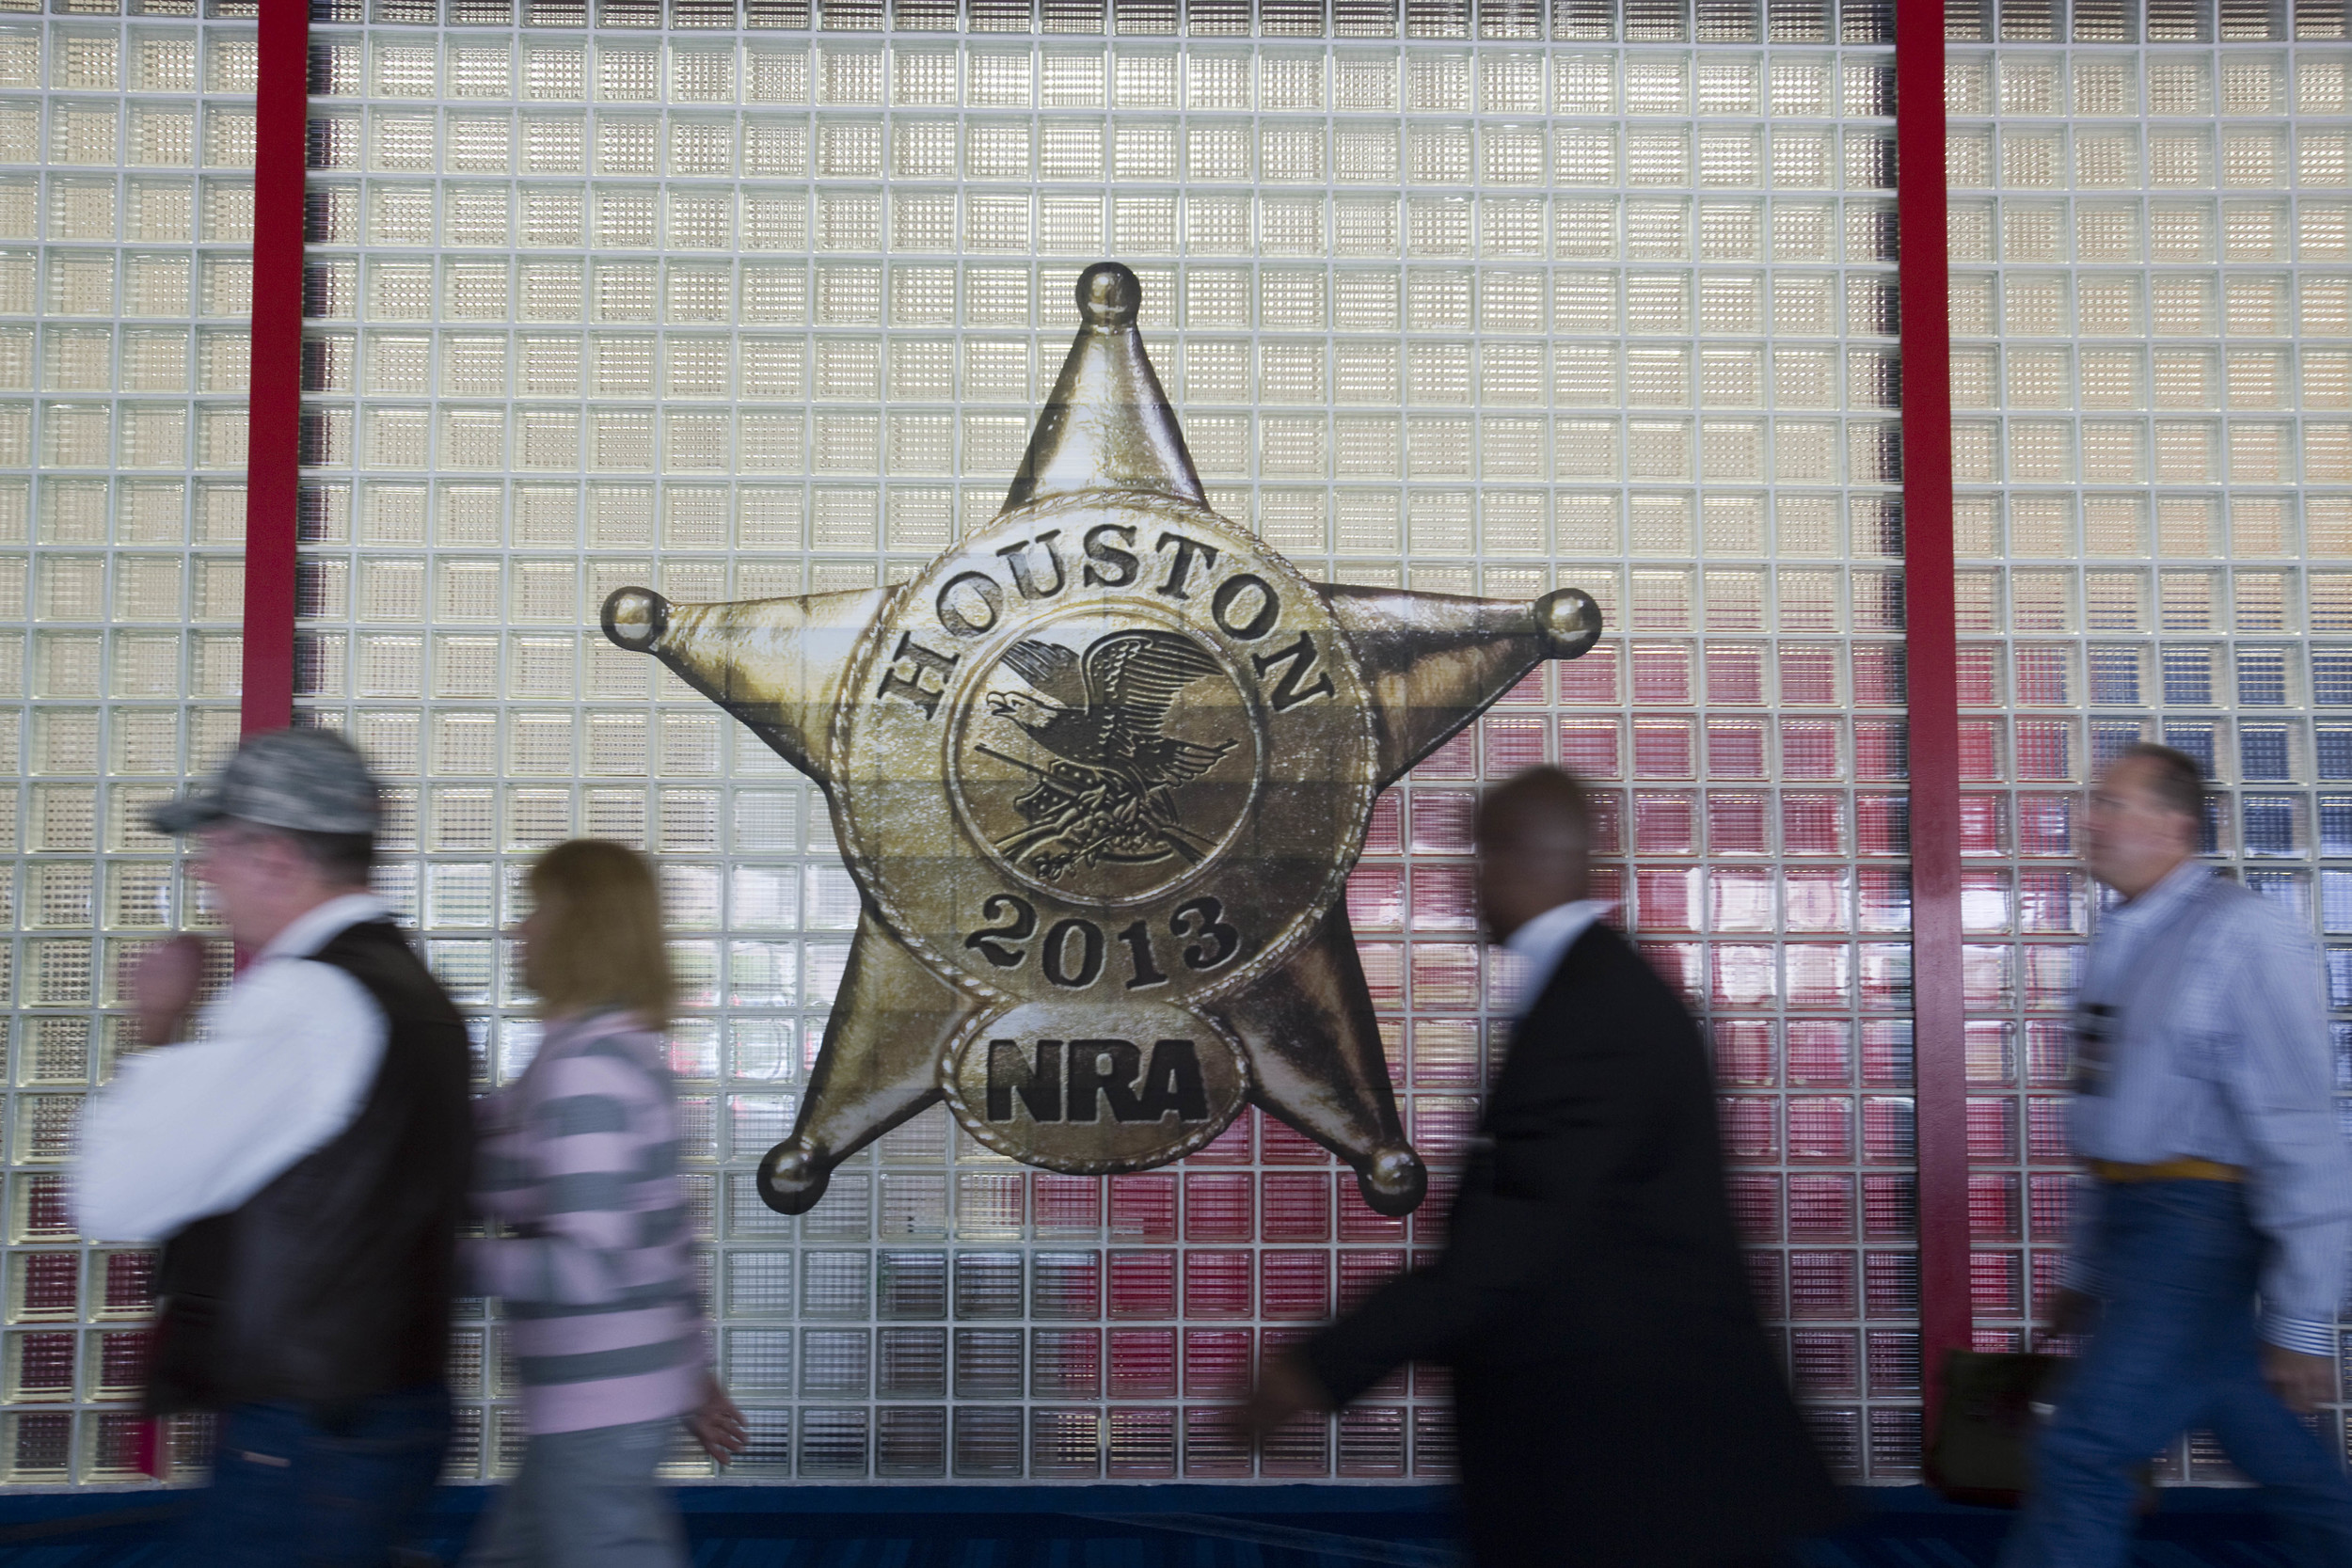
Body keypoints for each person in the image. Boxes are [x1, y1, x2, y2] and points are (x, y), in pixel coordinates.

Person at [1240, 767, 1840, 1568]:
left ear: (1517, 859)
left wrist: (1315, 1370)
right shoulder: (1595, 990)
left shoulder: (1594, 1015)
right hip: (1626, 1459)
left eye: (1475, 861)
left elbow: (1508, 1252)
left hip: (1638, 1472)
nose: (1465, 887)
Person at [72, 727, 474, 1566]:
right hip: (387, 1408)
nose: (202, 871)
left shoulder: (304, 999)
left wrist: (154, 1026)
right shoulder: (417, 991)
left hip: (306, 1435)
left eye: (216, 845)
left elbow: (111, 1193)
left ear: (277, 857)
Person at [1999, 743, 2352, 1568]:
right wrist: (2085, 1273)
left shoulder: (2241, 930)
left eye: (2113, 804)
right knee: (2256, 1427)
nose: (2089, 821)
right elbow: (2109, 1120)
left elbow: (2301, 1126)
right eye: (2093, 803)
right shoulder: (2120, 939)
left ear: (2176, 825)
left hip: (2197, 1228)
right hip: (2145, 1226)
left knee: (2084, 1447)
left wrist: (2305, 1320)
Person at [464, 839, 747, 1568]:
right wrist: (687, 1367)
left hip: (597, 1406)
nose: (515, 930)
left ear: (577, 925)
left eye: (535, 909)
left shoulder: (589, 1070)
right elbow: (664, 1233)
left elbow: (589, 1265)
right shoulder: (598, 1054)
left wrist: (432, 1259)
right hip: (599, 1402)